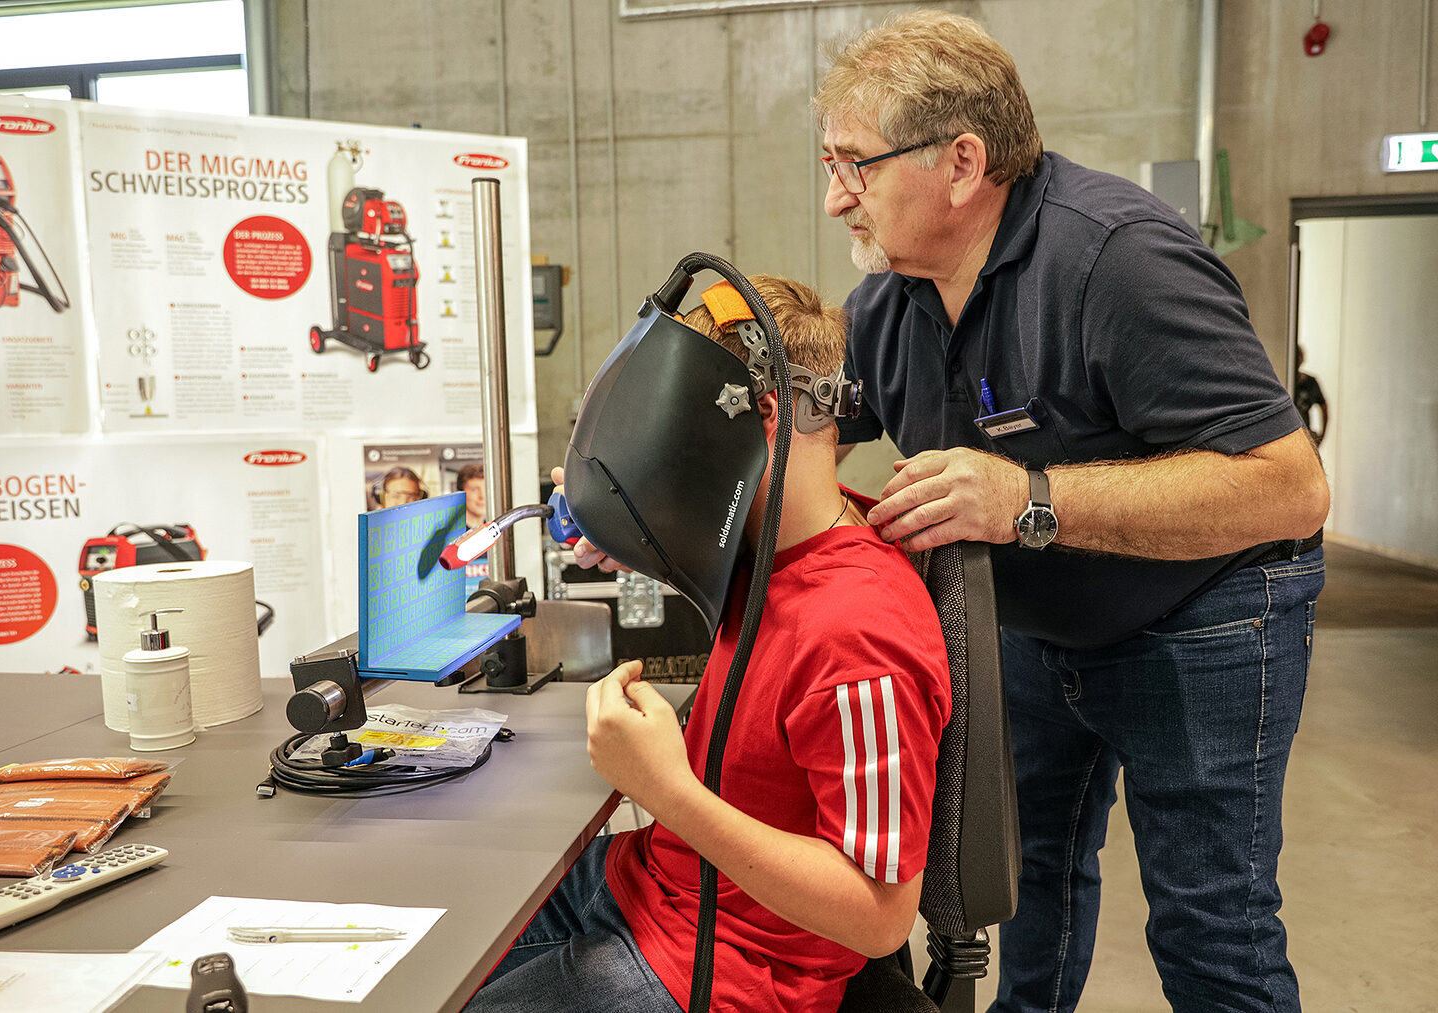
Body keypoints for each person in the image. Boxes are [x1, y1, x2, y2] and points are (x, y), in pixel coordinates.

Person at [812, 12, 1330, 1013]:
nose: (835, 197)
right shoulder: (889, 300)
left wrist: (1027, 498)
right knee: (1025, 872)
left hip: (1206, 613)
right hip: (1038, 624)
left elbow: (1287, 485)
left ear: (960, 162)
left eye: (853, 166)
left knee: (1207, 917)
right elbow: (817, 437)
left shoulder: (1115, 260)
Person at [464, 275, 952, 1013]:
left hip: (726, 964)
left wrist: (668, 792)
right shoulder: (777, 547)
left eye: (680, 428)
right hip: (647, 884)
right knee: (440, 959)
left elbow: (879, 913)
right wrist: (635, 529)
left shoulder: (860, 631)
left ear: (761, 416)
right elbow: (735, 560)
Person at [1294, 345, 1329, 446]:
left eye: (1299, 356)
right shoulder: (1283, 380)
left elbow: (1324, 408)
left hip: (1304, 435)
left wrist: (1321, 437)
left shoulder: (1310, 383)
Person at [456, 461, 487, 528]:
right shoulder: (452, 534)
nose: (482, 496)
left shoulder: (492, 530)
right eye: (474, 490)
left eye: (486, 489)